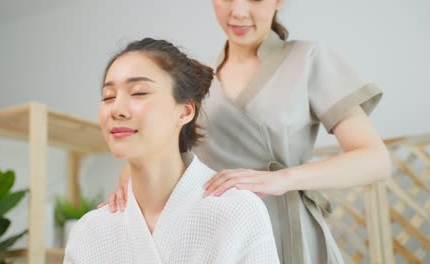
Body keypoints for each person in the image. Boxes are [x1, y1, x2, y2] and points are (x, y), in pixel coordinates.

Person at [102, 0, 393, 264]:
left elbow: (376, 160)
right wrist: (126, 188)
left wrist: (280, 180)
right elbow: (158, 149)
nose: (238, 11)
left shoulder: (308, 59)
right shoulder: (195, 79)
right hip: (218, 236)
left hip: (288, 230)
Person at [64, 38, 280, 264]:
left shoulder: (236, 210)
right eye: (108, 96)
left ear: (185, 112)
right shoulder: (90, 230)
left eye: (138, 92)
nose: (116, 109)